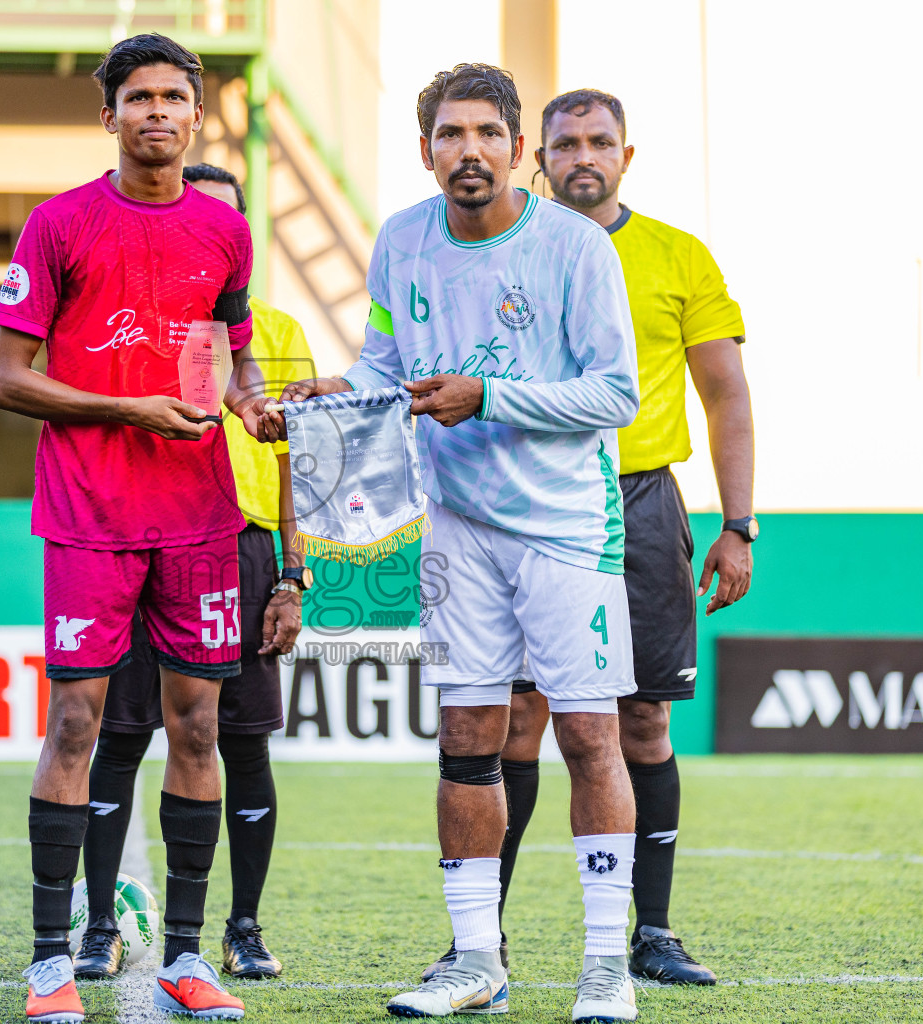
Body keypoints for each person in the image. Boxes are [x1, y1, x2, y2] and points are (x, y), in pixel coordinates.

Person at [271, 64, 642, 1022]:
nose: (467, 150)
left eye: (486, 133)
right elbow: (385, 370)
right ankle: (477, 958)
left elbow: (615, 395)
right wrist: (320, 405)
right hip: (455, 527)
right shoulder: (400, 240)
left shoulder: (575, 247)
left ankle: (608, 965)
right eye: (449, 134)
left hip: (568, 527)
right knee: (466, 738)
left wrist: (491, 396)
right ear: (425, 149)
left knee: (590, 734)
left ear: (520, 149)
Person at [430, 88, 754, 988]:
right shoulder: (503, 246)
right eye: (566, 142)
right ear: (540, 153)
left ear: (626, 155)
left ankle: (648, 933)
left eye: (600, 142)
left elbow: (725, 392)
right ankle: (478, 943)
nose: (583, 156)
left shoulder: (676, 255)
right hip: (519, 503)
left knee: (638, 719)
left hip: (638, 500)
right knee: (515, 723)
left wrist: (738, 523)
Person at [0, 35, 276, 1024]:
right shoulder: (59, 225)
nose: (158, 113)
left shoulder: (225, 234)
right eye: (139, 98)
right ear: (107, 116)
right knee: (77, 724)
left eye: (174, 98)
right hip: (90, 518)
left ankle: (188, 959)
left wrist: (257, 403)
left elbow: (233, 357)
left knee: (199, 726)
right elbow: (6, 378)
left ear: (198, 117)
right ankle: (46, 967)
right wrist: (131, 411)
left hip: (199, 518)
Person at [72, 163, 311, 985]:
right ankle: (98, 924)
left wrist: (292, 575)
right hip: (138, 539)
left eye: (222, 221)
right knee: (118, 737)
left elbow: (293, 459)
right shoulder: (129, 318)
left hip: (239, 549)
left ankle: (241, 927)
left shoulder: (272, 332)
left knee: (237, 743)